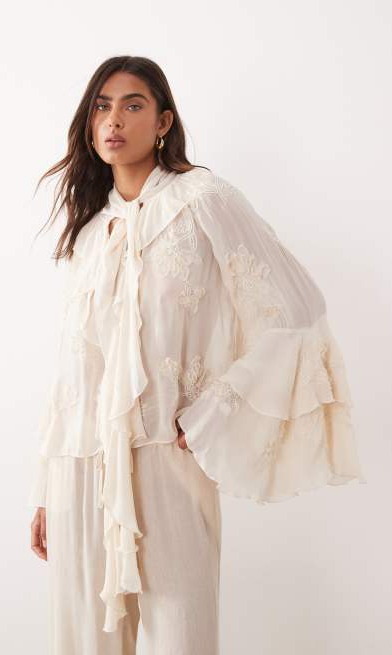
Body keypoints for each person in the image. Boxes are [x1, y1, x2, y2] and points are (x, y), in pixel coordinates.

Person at [27, 55, 366, 655]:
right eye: (102, 107)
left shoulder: (203, 199)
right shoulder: (90, 232)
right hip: (79, 467)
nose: (114, 120)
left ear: (163, 122)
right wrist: (44, 491)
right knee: (82, 643)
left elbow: (297, 308)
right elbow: (72, 370)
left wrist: (214, 410)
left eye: (132, 105)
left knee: (181, 638)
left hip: (168, 459)